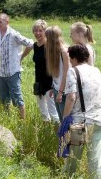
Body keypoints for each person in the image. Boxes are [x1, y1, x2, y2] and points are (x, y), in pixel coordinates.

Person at [62, 44, 101, 178]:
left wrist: (65, 119)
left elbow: (71, 97)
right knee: (95, 161)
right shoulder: (96, 70)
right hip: (97, 121)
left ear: (73, 58)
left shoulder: (73, 71)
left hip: (80, 123)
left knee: (72, 160)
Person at [0, 12, 33, 119]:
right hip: (2, 72)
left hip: (13, 72)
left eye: (0, 22)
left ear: (7, 22)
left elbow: (30, 43)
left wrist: (21, 57)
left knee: (17, 99)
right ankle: (8, 118)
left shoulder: (13, 34)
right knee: (3, 99)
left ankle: (22, 122)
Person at [22, 20, 59, 122]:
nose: (37, 33)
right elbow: (25, 51)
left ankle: (60, 136)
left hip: (50, 83)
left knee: (53, 113)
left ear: (45, 31)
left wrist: (54, 85)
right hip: (39, 83)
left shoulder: (50, 46)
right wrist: (19, 58)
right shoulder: (34, 46)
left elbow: (57, 66)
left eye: (40, 31)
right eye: (35, 30)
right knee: (43, 113)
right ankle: (46, 134)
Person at [45, 26, 70, 123]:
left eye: (47, 38)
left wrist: (60, 91)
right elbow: (56, 73)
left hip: (64, 92)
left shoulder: (64, 51)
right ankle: (63, 138)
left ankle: (67, 138)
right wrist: (53, 87)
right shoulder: (53, 51)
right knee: (61, 119)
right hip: (56, 89)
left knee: (66, 121)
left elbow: (67, 73)